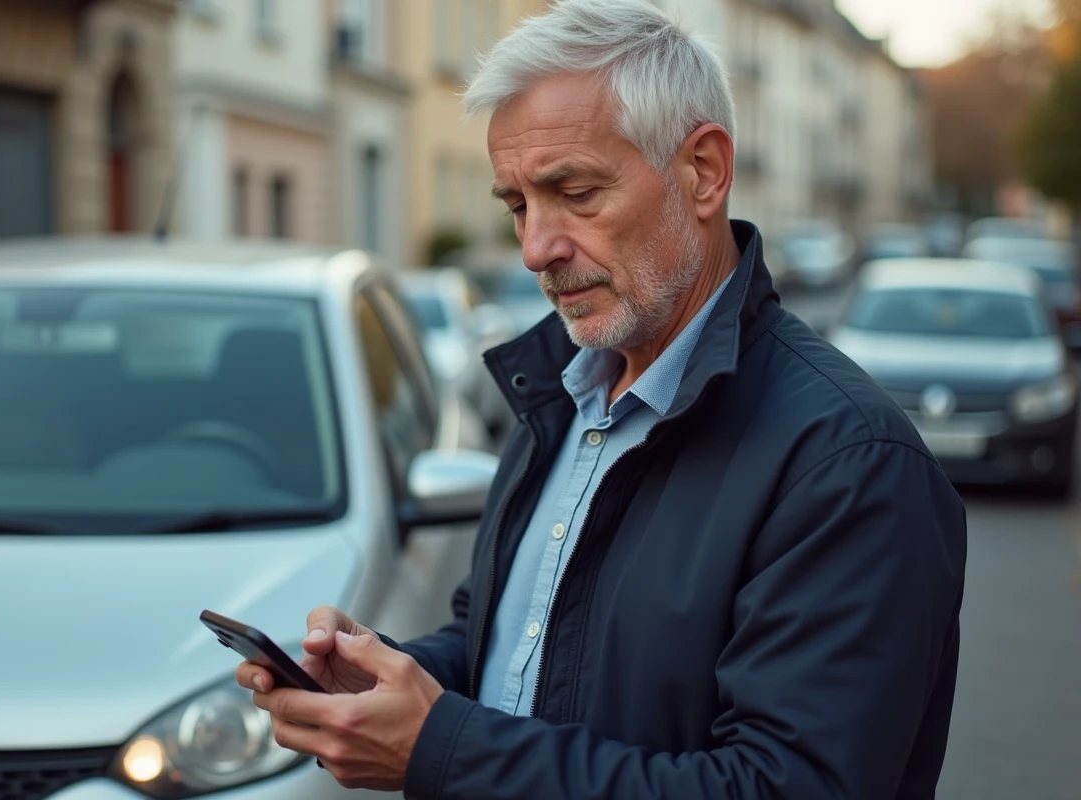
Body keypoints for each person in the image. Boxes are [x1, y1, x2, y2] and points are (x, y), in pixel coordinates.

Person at [235, 1, 968, 797]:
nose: (535, 248)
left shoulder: (848, 463)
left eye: (575, 193)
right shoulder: (563, 396)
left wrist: (443, 748)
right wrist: (386, 680)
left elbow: (784, 786)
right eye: (517, 205)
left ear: (704, 172)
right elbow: (512, 651)